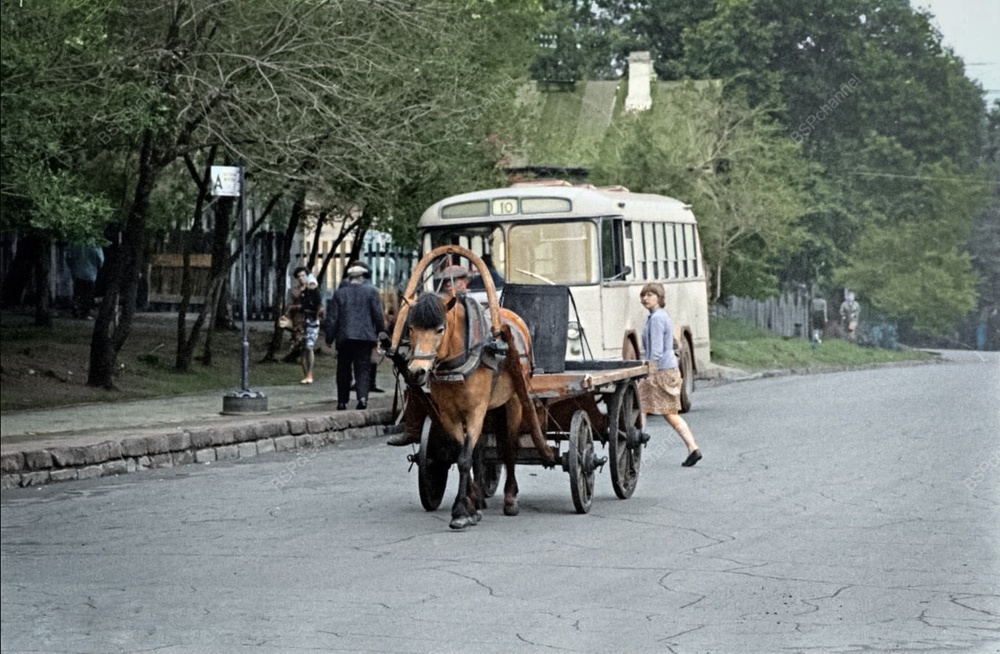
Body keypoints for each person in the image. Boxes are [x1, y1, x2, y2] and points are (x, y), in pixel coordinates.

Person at [637, 283, 702, 467]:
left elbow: (657, 349)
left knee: (648, 406)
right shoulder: (656, 316)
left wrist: (650, 371)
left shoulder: (657, 318)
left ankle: (640, 437)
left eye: (650, 295)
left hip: (662, 371)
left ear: (659, 298)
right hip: (665, 369)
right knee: (654, 408)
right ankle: (692, 448)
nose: (645, 298)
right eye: (643, 295)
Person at [325, 261, 385, 410]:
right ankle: (362, 398)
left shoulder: (339, 293)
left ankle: (342, 401)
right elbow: (378, 315)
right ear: (362, 277)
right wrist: (381, 332)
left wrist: (329, 338)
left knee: (343, 369)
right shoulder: (371, 291)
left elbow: (332, 318)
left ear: (349, 278)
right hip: (365, 337)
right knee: (363, 368)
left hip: (344, 337)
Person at [65, 243, 104, 319]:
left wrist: (72, 268)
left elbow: (68, 257)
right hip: (90, 273)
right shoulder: (95, 244)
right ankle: (85, 313)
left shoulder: (76, 242)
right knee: (88, 294)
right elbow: (100, 259)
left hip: (78, 272)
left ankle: (76, 310)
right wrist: (98, 266)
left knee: (78, 293)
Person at [298, 274, 324, 384]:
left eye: (313, 284)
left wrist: (317, 315)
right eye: (310, 284)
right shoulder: (304, 295)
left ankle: (309, 373)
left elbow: (320, 307)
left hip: (313, 323)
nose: (311, 286)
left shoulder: (317, 295)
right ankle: (307, 374)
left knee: (309, 347)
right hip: (304, 322)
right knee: (303, 349)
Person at [284, 266, 309, 357]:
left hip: (310, 319)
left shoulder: (312, 289)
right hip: (298, 320)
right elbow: (288, 306)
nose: (301, 278)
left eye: (303, 275)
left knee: (309, 345)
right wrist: (299, 307)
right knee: (298, 341)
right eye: (299, 276)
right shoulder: (293, 291)